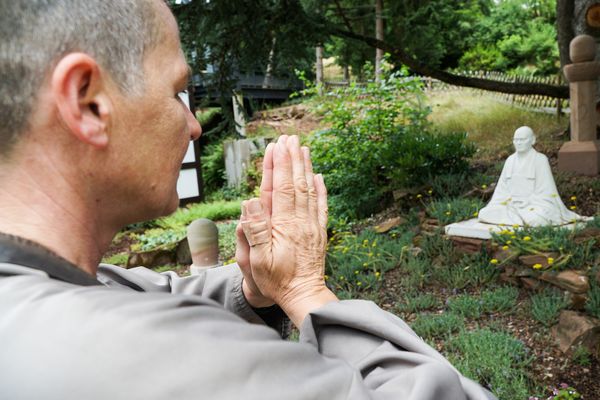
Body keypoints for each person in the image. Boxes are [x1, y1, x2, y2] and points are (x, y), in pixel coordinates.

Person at [0, 1, 495, 399]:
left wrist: (253, 288)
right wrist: (306, 293)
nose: (194, 126)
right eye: (177, 92)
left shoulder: (42, 287)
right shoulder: (161, 355)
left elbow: (153, 292)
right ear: (88, 101)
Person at [478, 126, 582, 227]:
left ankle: (518, 219)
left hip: (534, 206)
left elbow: (547, 192)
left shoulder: (540, 160)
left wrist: (528, 201)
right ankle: (518, 219)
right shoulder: (510, 160)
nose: (518, 143)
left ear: (532, 140)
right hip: (511, 205)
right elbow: (501, 190)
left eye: (522, 139)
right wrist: (510, 200)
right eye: (516, 140)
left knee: (537, 219)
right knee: (484, 213)